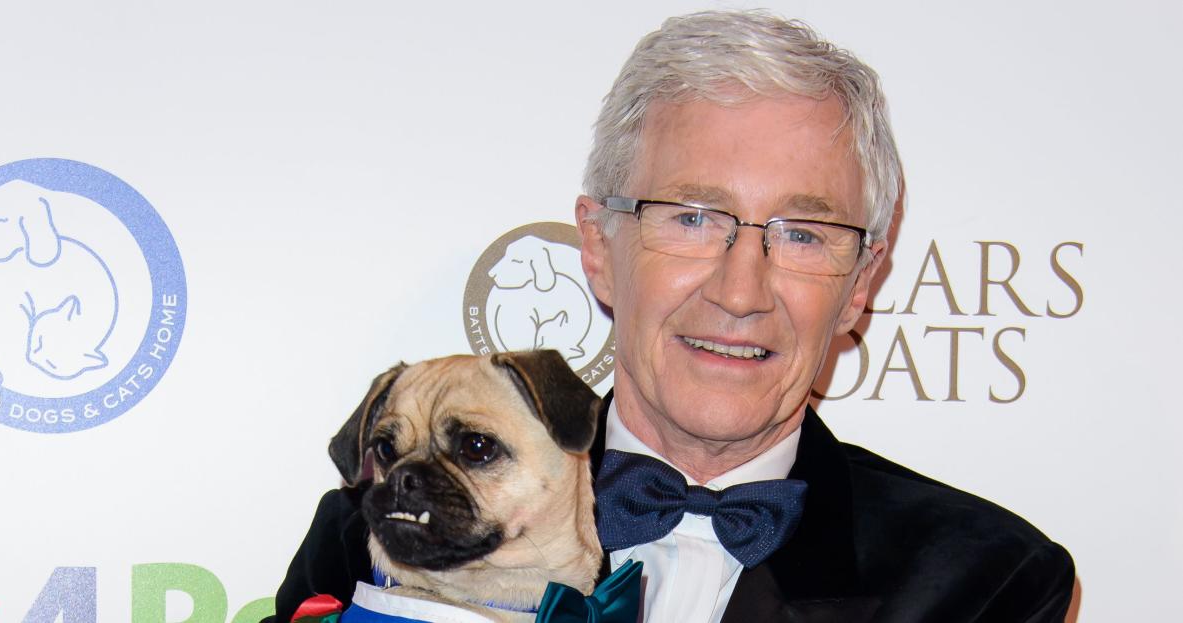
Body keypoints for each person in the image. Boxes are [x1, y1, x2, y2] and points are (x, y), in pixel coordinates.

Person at [266, 10, 1075, 622]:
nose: (740, 289)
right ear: (596, 244)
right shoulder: (371, 540)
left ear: (860, 282)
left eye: (803, 233)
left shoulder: (987, 579)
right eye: (691, 217)